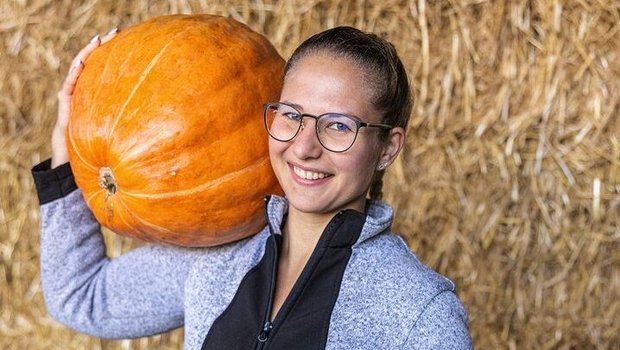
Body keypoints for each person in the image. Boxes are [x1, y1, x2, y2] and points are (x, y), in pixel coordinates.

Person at [32, 25, 472, 349]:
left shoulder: (419, 313)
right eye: (292, 115)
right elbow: (81, 296)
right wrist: (66, 146)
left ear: (387, 148)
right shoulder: (221, 256)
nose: (304, 148)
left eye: (339, 126)